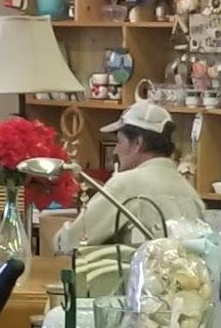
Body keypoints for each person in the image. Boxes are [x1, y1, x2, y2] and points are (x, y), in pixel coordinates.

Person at [51, 99, 205, 253]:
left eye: (119, 141)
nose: (115, 150)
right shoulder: (189, 191)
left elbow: (71, 243)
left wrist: (59, 236)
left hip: (137, 269)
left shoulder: (125, 184)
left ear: (138, 143)